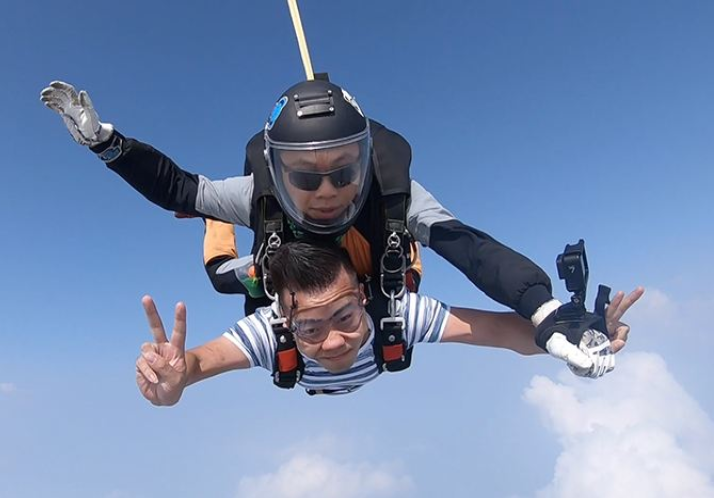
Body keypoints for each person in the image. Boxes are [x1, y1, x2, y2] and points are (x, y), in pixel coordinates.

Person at [39, 78, 615, 370]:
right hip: (286, 270)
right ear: (276, 171)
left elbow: (469, 247)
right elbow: (179, 187)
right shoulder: (260, 194)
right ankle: (221, 228)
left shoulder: (396, 197)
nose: (327, 192)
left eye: (344, 171)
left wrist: (543, 310)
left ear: (365, 160)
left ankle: (230, 227)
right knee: (222, 266)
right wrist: (108, 143)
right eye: (304, 177)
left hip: (369, 276)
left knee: (402, 266)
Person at [136, 242, 643, 402]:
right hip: (268, 274)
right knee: (222, 271)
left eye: (345, 316)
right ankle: (213, 221)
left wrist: (575, 335)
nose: (334, 341)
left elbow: (503, 333)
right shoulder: (271, 331)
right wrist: (176, 379)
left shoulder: (395, 314)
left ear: (363, 297)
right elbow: (199, 362)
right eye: (310, 328)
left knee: (406, 266)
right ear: (286, 320)